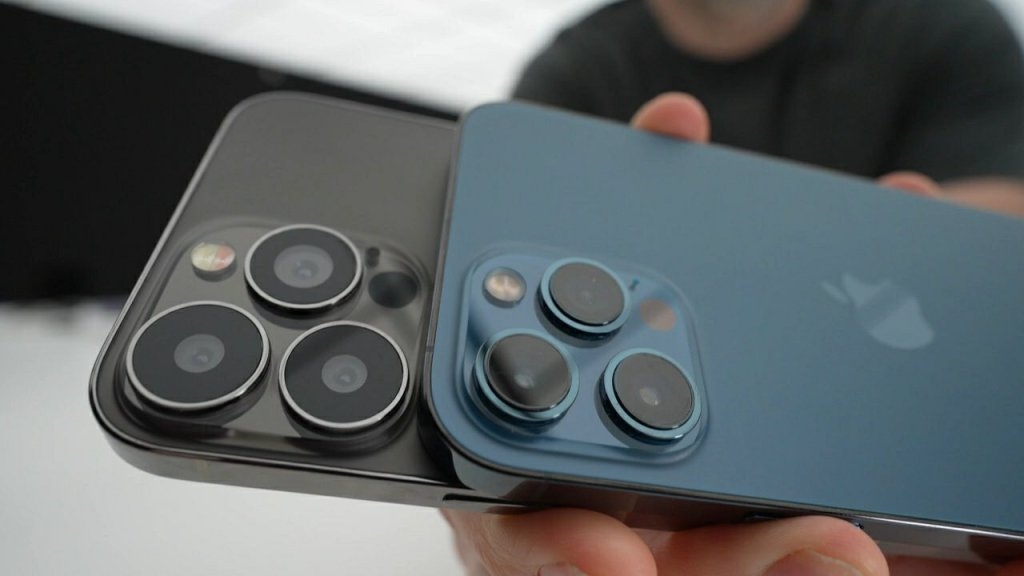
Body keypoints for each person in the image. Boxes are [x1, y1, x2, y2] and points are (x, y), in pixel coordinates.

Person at [442, 1, 1024, 575]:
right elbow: (490, 299)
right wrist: (475, 493)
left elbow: (994, 260)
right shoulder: (576, 71)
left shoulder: (939, 24)